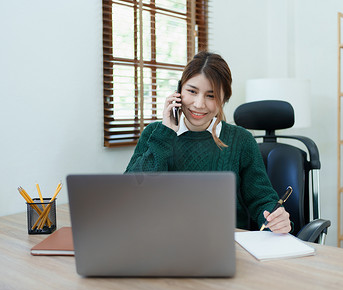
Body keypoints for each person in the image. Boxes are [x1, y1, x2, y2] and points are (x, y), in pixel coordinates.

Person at [125, 51, 291, 233]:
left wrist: (275, 218)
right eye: (192, 91)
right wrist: (165, 134)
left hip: (224, 242)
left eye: (210, 96)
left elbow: (261, 199)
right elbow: (131, 193)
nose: (199, 104)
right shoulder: (155, 134)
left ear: (224, 99)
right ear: (178, 91)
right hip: (163, 239)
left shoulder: (241, 140)